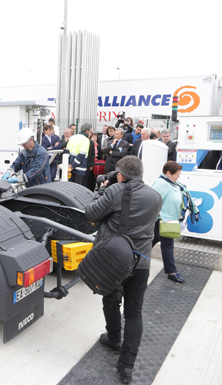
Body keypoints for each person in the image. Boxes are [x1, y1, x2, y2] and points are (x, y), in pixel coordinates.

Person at [85, 156, 162, 383]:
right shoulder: (155, 196)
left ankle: (114, 337)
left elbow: (91, 214)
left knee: (110, 299)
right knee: (134, 312)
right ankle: (127, 366)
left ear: (120, 175)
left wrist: (101, 190)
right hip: (141, 262)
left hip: (114, 261)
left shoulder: (115, 191)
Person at [151, 161, 187, 283]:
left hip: (167, 219)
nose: (179, 176)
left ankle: (132, 261)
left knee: (149, 243)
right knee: (167, 245)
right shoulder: (161, 183)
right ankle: (172, 272)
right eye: (177, 174)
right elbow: (152, 200)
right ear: (168, 173)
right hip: (162, 220)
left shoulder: (171, 183)